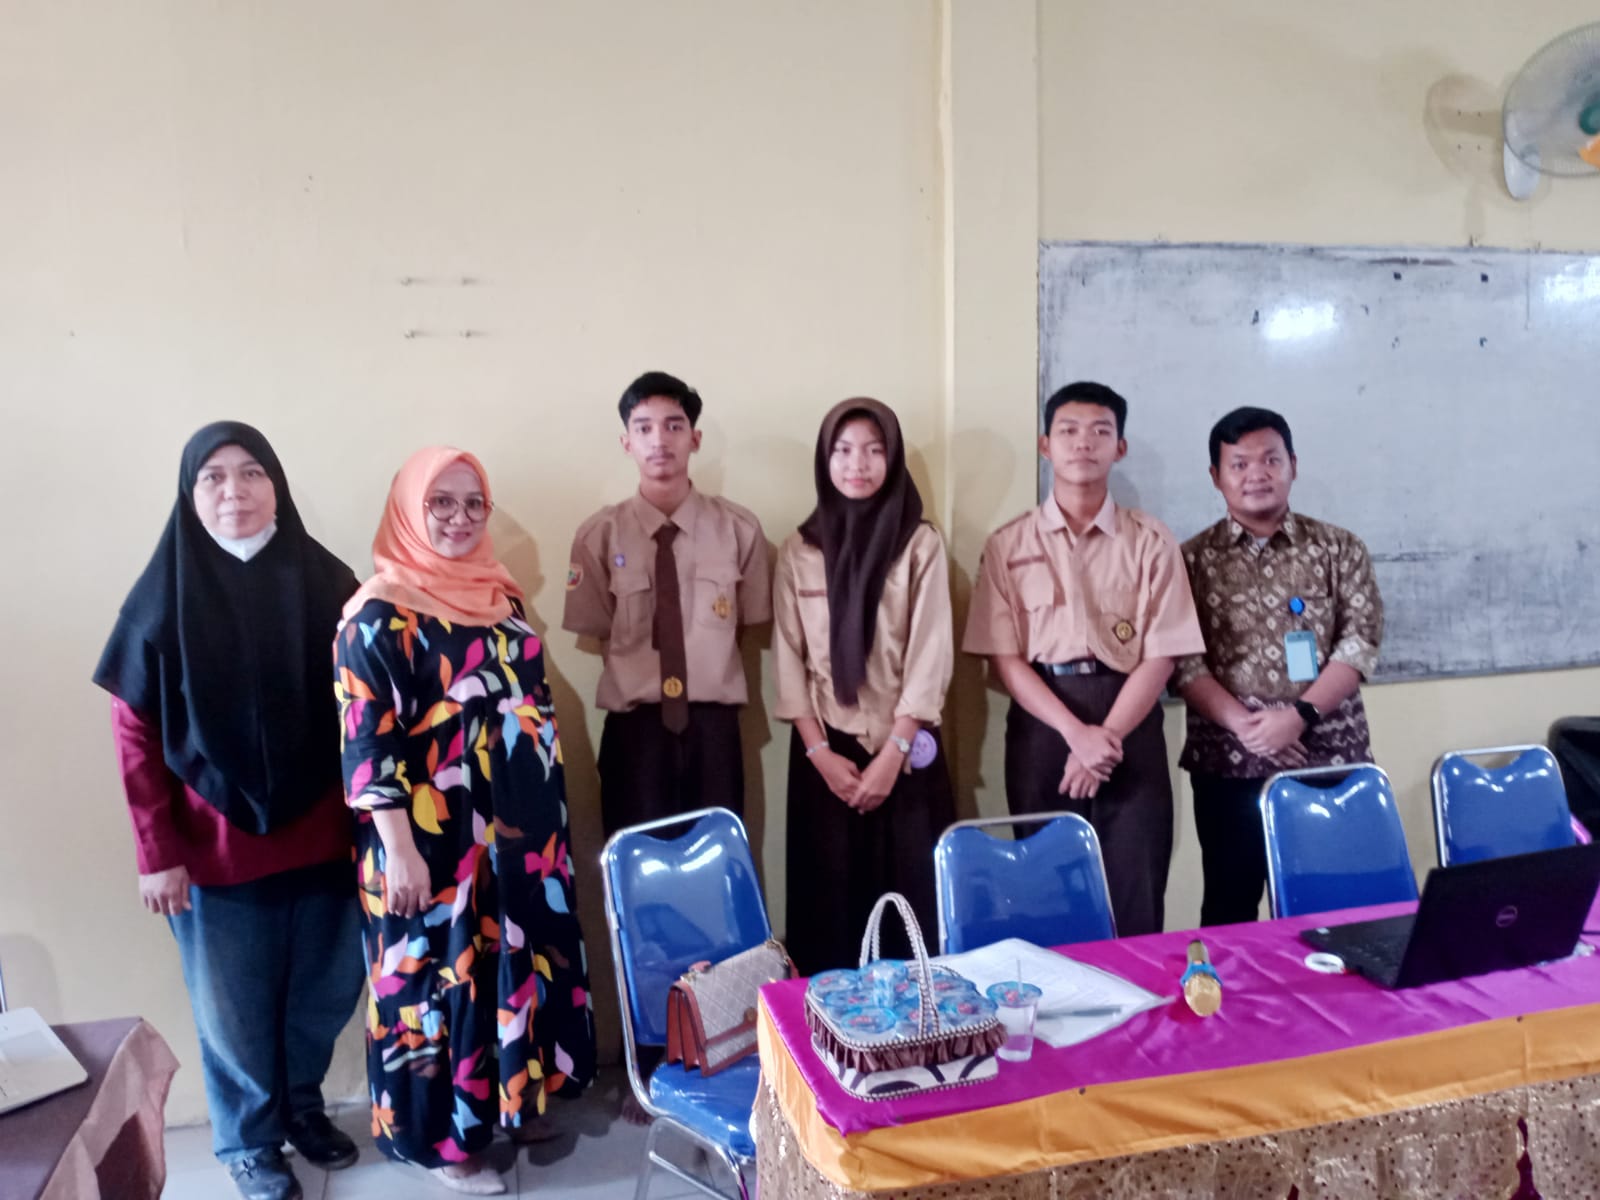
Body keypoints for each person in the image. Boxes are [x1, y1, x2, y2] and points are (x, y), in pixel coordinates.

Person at [94, 421, 364, 1200]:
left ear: (276, 484)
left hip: (324, 838)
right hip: (213, 852)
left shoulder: (329, 582)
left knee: (323, 995)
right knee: (233, 1015)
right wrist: (157, 855)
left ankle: (302, 1108)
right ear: (190, 494)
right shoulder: (161, 597)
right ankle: (249, 1143)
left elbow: (367, 707)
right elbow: (135, 735)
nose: (234, 491)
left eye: (251, 473)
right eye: (213, 477)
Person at [335, 448, 595, 1194]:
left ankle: (515, 1102)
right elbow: (368, 743)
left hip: (519, 834)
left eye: (473, 502)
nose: (459, 518)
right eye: (440, 503)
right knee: (440, 979)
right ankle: (449, 1143)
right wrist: (399, 851)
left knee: (517, 963)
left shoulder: (500, 597)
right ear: (408, 510)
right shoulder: (378, 612)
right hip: (431, 839)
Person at [963, 382, 1205, 937]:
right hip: (1044, 724)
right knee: (1046, 893)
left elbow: (1162, 655)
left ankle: (1136, 992)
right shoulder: (1008, 544)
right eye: (1068, 431)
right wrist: (1077, 735)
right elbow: (1006, 659)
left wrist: (1106, 738)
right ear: (1045, 445)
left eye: (1100, 431)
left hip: (1130, 722)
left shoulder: (1151, 540)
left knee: (1136, 889)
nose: (1083, 443)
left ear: (1120, 447)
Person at [1175, 406, 1384, 925]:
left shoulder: (1339, 548)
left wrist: (1297, 718)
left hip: (1326, 755)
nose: (1257, 474)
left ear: (1293, 465)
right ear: (1216, 476)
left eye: (1271, 460)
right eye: (1240, 464)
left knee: (1336, 908)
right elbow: (1182, 662)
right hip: (1229, 762)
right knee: (1230, 909)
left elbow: (1359, 643)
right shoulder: (1189, 560)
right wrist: (1250, 729)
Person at [773, 398, 955, 975]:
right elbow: (789, 658)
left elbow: (930, 653)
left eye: (875, 451)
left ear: (892, 460)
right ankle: (826, 1033)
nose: (858, 464)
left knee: (913, 919)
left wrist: (893, 754)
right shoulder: (799, 550)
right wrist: (820, 754)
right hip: (825, 757)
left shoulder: (919, 544)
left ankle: (916, 1029)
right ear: (825, 460)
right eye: (844, 450)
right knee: (827, 919)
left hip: (905, 755)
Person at [563, 370, 771, 834]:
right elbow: (599, 632)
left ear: (695, 439)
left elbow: (745, 623)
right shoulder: (599, 535)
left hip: (714, 731)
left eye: (674, 426)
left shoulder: (739, 530)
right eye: (644, 428)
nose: (659, 440)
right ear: (626, 442)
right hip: (634, 731)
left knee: (717, 859)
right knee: (635, 859)